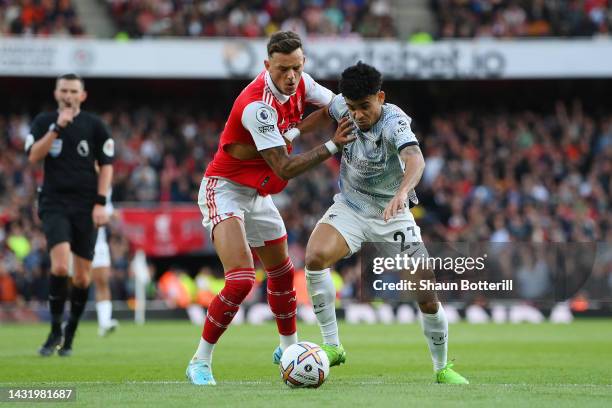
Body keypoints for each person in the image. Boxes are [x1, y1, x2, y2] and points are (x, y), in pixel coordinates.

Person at [186, 31, 355, 385]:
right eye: (282, 70)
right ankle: (200, 360)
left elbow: (334, 104)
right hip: (226, 189)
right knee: (242, 280)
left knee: (281, 272)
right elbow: (284, 168)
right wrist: (331, 145)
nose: (290, 77)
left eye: (296, 67)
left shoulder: (301, 83)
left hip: (257, 194)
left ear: (303, 63)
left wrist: (368, 111)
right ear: (267, 66)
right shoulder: (257, 106)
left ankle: (288, 350)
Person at [302, 62, 469, 384]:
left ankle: (442, 367)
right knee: (314, 258)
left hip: (392, 214)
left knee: (425, 292)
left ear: (380, 97)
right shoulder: (344, 107)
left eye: (365, 106)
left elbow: (415, 159)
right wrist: (294, 132)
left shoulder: (395, 123)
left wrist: (403, 192)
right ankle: (333, 346)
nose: (358, 115)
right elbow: (326, 113)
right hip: (350, 207)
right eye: (352, 108)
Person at [26, 73, 114, 357]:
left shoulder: (95, 125)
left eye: (73, 91)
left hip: (87, 206)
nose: (68, 95)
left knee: (82, 278)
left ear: (82, 95)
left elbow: (107, 164)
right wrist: (56, 128)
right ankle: (54, 329)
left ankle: (70, 334)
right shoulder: (43, 122)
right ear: (56, 93)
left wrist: (101, 202)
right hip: (54, 203)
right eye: (63, 90)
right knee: (61, 267)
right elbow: (33, 157)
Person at [92, 189, 119, 337]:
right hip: (78, 238)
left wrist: (111, 215)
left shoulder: (105, 186)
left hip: (98, 241)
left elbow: (107, 210)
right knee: (77, 281)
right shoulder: (78, 176)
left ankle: (104, 322)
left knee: (102, 281)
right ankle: (67, 320)